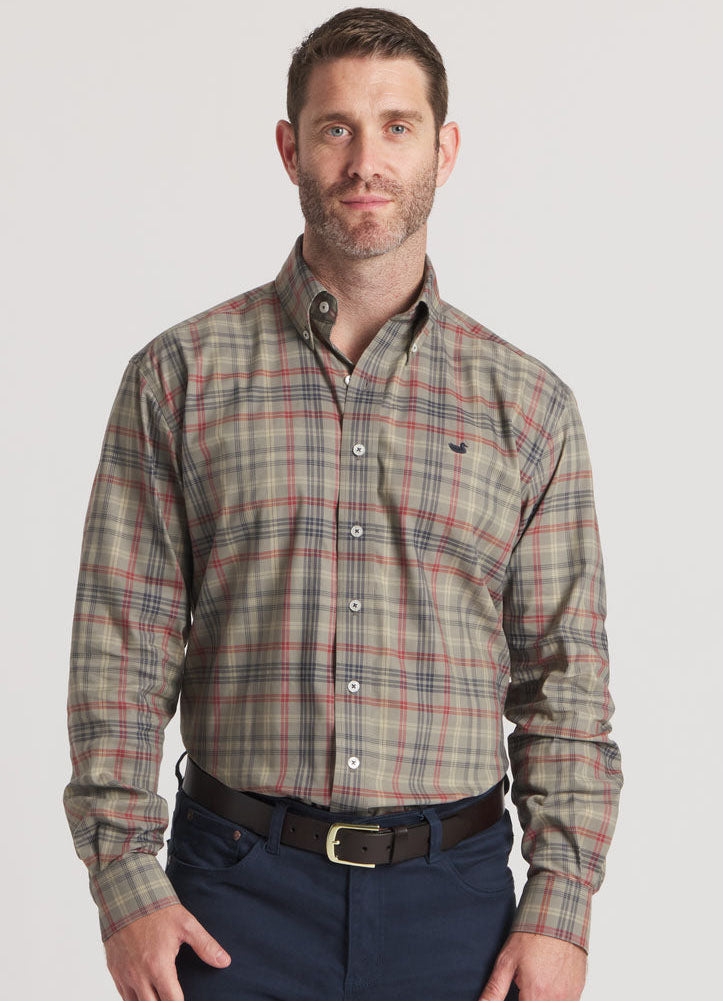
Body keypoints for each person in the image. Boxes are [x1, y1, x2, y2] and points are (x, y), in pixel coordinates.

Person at [63, 8, 622, 1001]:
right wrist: (123, 880)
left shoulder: (530, 405)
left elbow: (563, 682)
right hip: (230, 899)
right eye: (336, 128)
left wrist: (562, 904)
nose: (366, 160)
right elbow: (122, 647)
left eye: (397, 126)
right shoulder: (179, 378)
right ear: (291, 149)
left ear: (444, 150)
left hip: (456, 910)